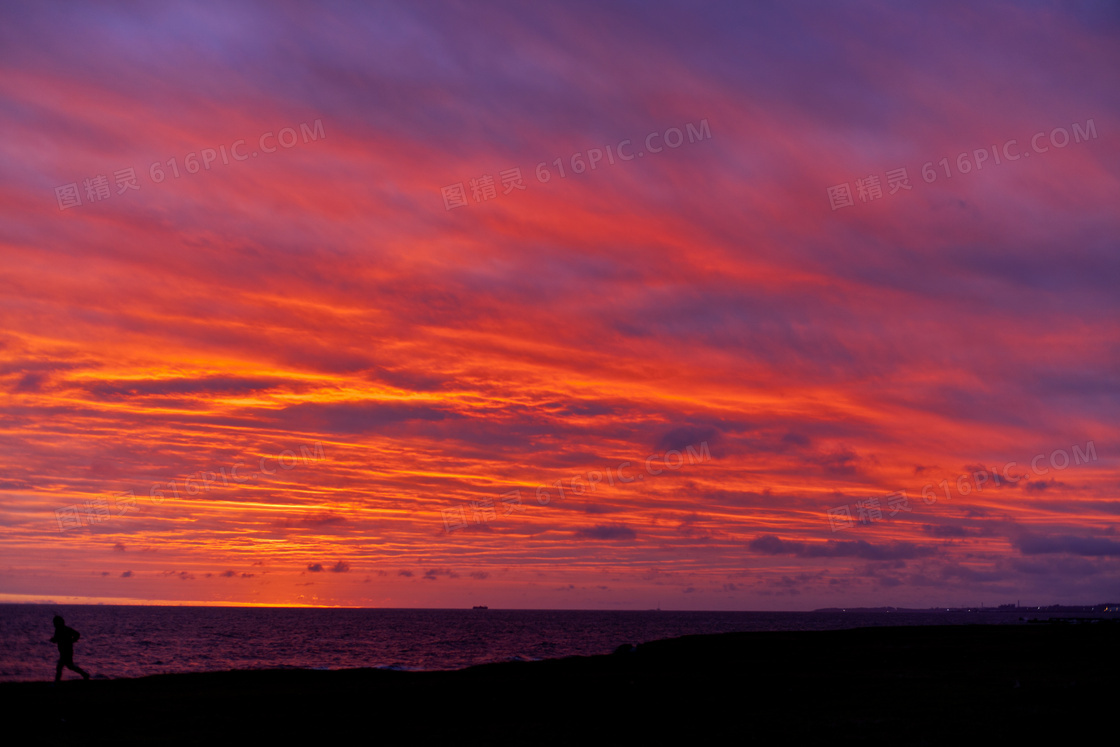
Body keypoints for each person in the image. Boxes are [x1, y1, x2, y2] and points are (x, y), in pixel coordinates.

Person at [50, 615, 90, 682]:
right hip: (63, 651)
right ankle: (85, 674)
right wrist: (54, 640)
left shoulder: (66, 629)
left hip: (67, 651)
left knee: (60, 667)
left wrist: (72, 640)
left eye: (55, 622)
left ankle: (56, 682)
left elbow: (77, 634)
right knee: (70, 666)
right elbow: (57, 639)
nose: (54, 624)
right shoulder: (58, 630)